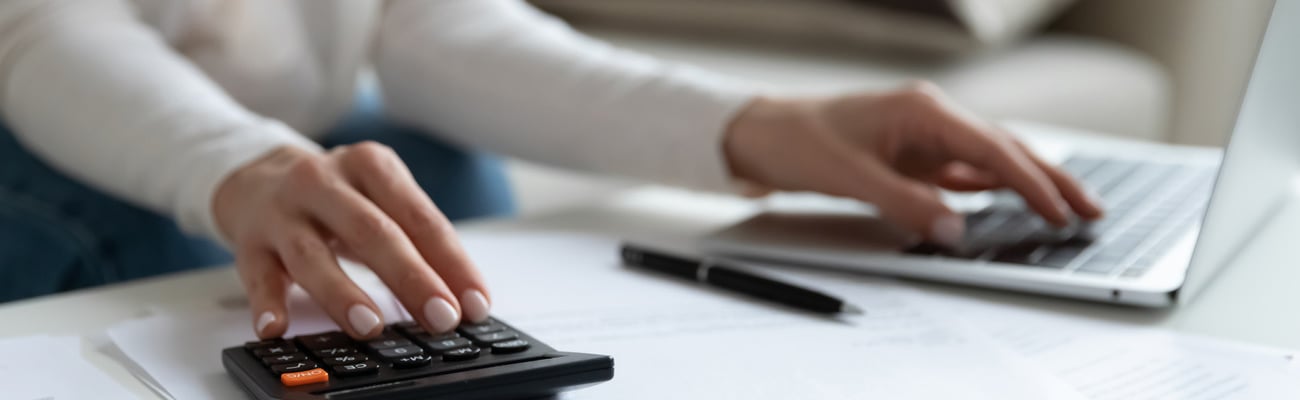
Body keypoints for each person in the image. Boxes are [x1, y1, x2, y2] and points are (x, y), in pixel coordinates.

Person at [0, 0, 1102, 339]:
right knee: (183, 261)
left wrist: (756, 126)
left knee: (449, 206)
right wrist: (239, 167)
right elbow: (39, 30)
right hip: (36, 108)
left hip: (278, 107)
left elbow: (427, 23)